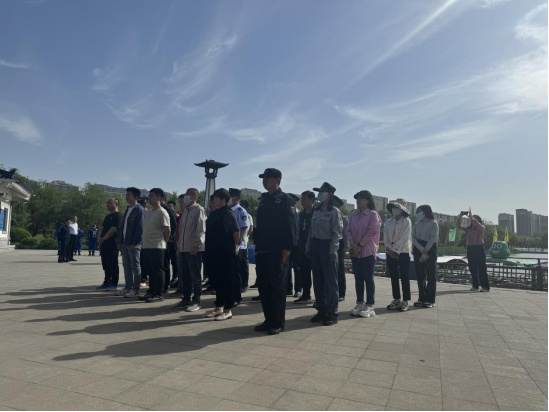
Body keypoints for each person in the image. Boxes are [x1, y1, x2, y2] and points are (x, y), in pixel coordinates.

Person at [254, 169, 298, 335]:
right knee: (264, 288)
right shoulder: (264, 200)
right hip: (263, 250)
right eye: (263, 178)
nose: (264, 181)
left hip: (278, 250)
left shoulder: (286, 200)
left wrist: (288, 247)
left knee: (277, 288)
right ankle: (268, 320)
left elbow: (292, 226)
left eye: (267, 178)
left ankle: (278, 322)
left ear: (277, 180)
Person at [307, 182, 343, 327]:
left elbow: (337, 233)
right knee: (318, 281)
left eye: (322, 192)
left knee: (330, 282)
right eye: (319, 192)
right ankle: (321, 311)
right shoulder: (317, 211)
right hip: (315, 246)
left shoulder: (334, 211)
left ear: (329, 194)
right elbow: (311, 231)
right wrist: (308, 246)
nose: (319, 194)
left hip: (327, 247)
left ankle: (332, 313)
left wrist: (333, 250)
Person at [203, 189, 240, 321]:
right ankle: (218, 307)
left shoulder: (228, 213)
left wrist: (233, 246)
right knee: (216, 280)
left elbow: (236, 232)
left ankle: (228, 309)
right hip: (213, 251)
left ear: (223, 200)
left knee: (227, 281)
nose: (213, 200)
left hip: (225, 252)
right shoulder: (214, 213)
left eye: (216, 198)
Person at [346, 191, 382, 319]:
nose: (358, 200)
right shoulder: (353, 215)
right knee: (358, 278)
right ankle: (360, 302)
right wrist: (353, 244)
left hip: (367, 250)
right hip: (355, 251)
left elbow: (372, 231)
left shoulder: (373, 214)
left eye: (361, 198)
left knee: (368, 278)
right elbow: (348, 231)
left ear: (368, 200)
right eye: (357, 198)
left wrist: (360, 245)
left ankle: (370, 305)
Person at [172, 189, 206, 312]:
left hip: (193, 249)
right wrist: (179, 246)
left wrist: (196, 245)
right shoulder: (185, 211)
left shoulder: (199, 210)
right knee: (185, 275)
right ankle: (186, 298)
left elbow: (201, 229)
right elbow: (181, 231)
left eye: (187, 194)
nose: (185, 197)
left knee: (195, 276)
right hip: (183, 248)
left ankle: (196, 300)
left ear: (194, 196)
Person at [139, 188, 171, 303]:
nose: (149, 197)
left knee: (157, 271)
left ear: (159, 198)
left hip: (157, 246)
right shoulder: (150, 212)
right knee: (150, 271)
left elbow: (167, 230)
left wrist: (164, 242)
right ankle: (151, 291)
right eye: (149, 195)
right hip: (147, 246)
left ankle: (158, 293)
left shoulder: (162, 212)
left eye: (152, 195)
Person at [385, 199, 413, 312]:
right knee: (394, 276)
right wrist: (389, 248)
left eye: (397, 207)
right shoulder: (388, 222)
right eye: (393, 207)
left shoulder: (407, 222)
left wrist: (395, 249)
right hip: (390, 252)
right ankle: (396, 299)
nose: (395, 209)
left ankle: (405, 300)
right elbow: (385, 237)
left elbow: (404, 237)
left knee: (404, 276)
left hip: (403, 252)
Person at [116, 187, 145, 298]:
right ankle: (128, 287)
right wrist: (120, 242)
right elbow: (122, 227)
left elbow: (140, 228)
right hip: (125, 242)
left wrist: (135, 243)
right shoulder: (128, 209)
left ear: (135, 197)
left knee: (135, 266)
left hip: (133, 244)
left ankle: (136, 289)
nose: (126, 197)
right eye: (126, 195)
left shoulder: (139, 210)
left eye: (129, 195)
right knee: (126, 266)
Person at [412, 205, 439, 308]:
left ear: (426, 212)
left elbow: (433, 238)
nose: (418, 214)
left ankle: (430, 299)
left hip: (430, 249)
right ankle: (421, 298)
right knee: (420, 275)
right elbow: (413, 238)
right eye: (417, 212)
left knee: (431, 275)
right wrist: (421, 249)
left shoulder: (433, 223)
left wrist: (426, 249)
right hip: (418, 249)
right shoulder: (416, 224)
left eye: (420, 211)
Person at [457, 209, 490, 292]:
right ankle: (475, 286)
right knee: (472, 268)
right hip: (470, 249)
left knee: (482, 268)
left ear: (478, 220)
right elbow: (459, 226)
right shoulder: (469, 229)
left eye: (475, 219)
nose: (472, 220)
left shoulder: (481, 228)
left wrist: (472, 217)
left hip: (479, 248)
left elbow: (476, 223)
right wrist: (460, 216)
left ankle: (485, 286)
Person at [96, 199, 123, 292]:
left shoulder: (118, 216)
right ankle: (106, 281)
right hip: (104, 243)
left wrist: (103, 239)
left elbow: (113, 230)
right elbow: (102, 228)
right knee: (105, 263)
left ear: (116, 204)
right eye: (107, 203)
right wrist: (99, 237)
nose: (108, 204)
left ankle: (114, 283)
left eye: (110, 203)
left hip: (112, 243)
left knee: (113, 264)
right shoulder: (107, 216)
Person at [229, 188, 250, 301]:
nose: (229, 199)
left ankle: (237, 297)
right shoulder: (228, 210)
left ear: (236, 198)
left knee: (236, 272)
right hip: (228, 245)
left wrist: (236, 244)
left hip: (237, 246)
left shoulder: (240, 211)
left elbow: (242, 228)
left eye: (231, 196)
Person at [295, 191, 315, 305]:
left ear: (311, 200)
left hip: (314, 247)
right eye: (302, 199)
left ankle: (320, 297)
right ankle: (306, 294)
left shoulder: (317, 212)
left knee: (317, 273)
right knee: (304, 272)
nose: (302, 201)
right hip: (302, 247)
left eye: (304, 199)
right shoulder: (301, 214)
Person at [333, 196, 349, 302]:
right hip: (329, 245)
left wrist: (345, 249)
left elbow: (346, 235)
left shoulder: (343, 219)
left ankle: (341, 293)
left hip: (339, 246)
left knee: (340, 271)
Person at [161, 196, 178, 294]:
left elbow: (174, 226)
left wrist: (169, 239)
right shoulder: (155, 210)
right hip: (160, 242)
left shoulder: (167, 211)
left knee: (166, 264)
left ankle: (165, 285)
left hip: (168, 242)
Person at [287, 194, 302, 299]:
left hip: (297, 245)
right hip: (287, 244)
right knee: (287, 267)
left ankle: (298, 289)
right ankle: (288, 288)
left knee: (297, 268)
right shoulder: (286, 213)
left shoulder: (300, 214)